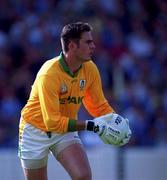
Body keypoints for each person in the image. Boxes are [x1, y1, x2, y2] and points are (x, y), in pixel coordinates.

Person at [18, 22, 131, 180]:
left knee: (83, 176)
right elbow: (52, 122)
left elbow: (98, 106)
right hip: (34, 130)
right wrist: (90, 125)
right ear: (72, 46)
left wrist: (115, 121)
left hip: (64, 131)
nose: (93, 46)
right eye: (88, 42)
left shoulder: (90, 68)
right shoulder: (49, 74)